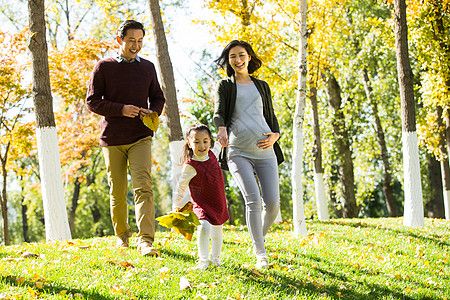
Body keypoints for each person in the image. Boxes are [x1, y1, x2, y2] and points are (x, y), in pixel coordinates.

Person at [86, 20, 165, 257]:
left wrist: (154, 113)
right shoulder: (104, 67)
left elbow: (158, 98)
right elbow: (92, 101)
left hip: (140, 135)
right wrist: (121, 109)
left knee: (143, 188)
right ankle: (122, 237)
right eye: (131, 40)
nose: (136, 45)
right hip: (112, 138)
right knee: (118, 191)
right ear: (120, 40)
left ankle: (146, 240)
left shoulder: (148, 67)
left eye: (140, 41)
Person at [213, 40, 284, 269]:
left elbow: (271, 116)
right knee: (253, 200)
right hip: (238, 151)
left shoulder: (262, 86)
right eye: (232, 56)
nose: (237, 60)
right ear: (229, 60)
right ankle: (260, 252)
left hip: (265, 150)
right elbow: (218, 113)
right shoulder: (225, 85)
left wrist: (276, 135)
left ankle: (258, 237)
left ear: (249, 57)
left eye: (241, 55)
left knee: (272, 204)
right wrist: (221, 129)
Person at [173, 123, 229, 270]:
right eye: (196, 142)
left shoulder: (213, 153)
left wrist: (223, 133)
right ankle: (203, 260)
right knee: (204, 227)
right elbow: (181, 187)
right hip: (202, 204)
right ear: (189, 144)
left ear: (209, 141)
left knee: (217, 233)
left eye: (205, 141)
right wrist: (176, 204)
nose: (201, 145)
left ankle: (215, 259)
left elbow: (219, 143)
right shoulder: (191, 166)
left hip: (218, 203)